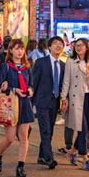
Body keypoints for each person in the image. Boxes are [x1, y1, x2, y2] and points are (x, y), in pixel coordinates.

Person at [0, 39, 34, 177]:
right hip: (11, 104)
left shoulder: (27, 67)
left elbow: (32, 84)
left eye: (21, 49)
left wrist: (29, 90)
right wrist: (13, 89)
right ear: (10, 50)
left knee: (24, 137)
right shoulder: (6, 67)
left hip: (24, 104)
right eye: (16, 49)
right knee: (10, 138)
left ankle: (20, 167)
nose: (19, 51)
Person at [60, 38, 89, 172]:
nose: (79, 47)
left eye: (82, 45)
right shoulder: (70, 61)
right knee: (83, 128)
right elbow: (66, 80)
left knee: (86, 128)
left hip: (88, 97)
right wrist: (64, 98)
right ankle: (85, 159)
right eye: (77, 46)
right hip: (76, 98)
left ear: (87, 48)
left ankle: (72, 152)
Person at [32, 36, 65, 169]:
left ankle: (41, 156)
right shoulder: (41, 62)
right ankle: (48, 158)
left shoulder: (63, 65)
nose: (58, 46)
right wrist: (32, 103)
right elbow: (34, 82)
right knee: (45, 130)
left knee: (49, 130)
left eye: (61, 44)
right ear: (49, 47)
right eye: (56, 44)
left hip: (55, 102)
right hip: (42, 101)